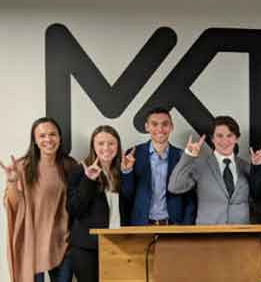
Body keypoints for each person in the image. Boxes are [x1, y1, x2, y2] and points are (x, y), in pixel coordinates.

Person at [2, 117, 76, 282]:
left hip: (63, 242)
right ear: (35, 140)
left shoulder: (69, 165)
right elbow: (13, 206)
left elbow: (77, 203)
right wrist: (12, 182)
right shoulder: (22, 166)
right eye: (42, 136)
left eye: (52, 134)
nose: (48, 139)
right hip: (32, 243)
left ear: (60, 137)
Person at [67, 125, 130, 282]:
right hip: (86, 248)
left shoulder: (122, 170)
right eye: (100, 143)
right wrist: (88, 180)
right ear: (93, 146)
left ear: (118, 145)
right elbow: (74, 209)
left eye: (111, 143)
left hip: (117, 244)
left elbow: (129, 204)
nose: (106, 148)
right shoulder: (80, 171)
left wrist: (127, 174)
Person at [168, 116, 250, 224]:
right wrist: (188, 156)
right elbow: (174, 187)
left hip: (242, 234)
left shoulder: (245, 166)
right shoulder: (200, 165)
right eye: (219, 136)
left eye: (229, 135)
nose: (225, 141)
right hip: (208, 233)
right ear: (212, 139)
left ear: (236, 138)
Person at [120, 107, 195, 225]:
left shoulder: (181, 156)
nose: (160, 129)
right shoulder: (134, 154)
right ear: (147, 127)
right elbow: (127, 194)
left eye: (165, 124)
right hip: (141, 225)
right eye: (154, 124)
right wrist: (126, 171)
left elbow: (189, 197)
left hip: (174, 225)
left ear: (171, 127)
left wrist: (186, 226)